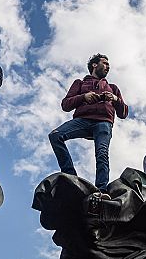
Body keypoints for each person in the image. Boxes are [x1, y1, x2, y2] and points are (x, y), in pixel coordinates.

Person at [49, 53, 128, 193]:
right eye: (105, 63)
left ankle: (101, 190)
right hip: (83, 120)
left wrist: (115, 99)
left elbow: (124, 113)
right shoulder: (79, 83)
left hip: (103, 123)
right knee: (55, 135)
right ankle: (71, 176)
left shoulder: (113, 87)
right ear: (94, 65)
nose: (108, 66)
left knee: (102, 153)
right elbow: (65, 105)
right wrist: (83, 97)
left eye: (109, 64)